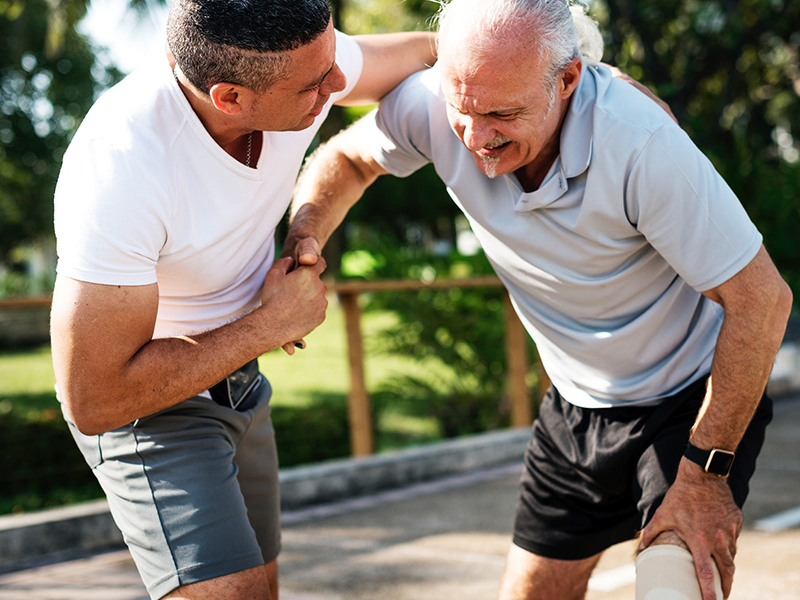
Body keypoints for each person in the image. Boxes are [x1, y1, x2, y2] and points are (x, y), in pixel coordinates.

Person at [282, 1, 793, 599]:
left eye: (502, 113)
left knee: (670, 587)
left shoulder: (638, 141)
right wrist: (306, 234)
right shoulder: (433, 102)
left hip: (690, 397)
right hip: (576, 404)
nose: (476, 138)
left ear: (568, 80)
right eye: (462, 109)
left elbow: (762, 299)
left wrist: (706, 476)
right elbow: (348, 156)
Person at [49, 1, 436, 599]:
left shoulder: (300, 61)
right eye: (316, 85)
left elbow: (435, 52)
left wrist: (585, 71)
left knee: (263, 589)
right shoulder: (122, 162)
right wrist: (268, 325)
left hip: (242, 384)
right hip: (149, 405)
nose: (339, 86)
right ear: (229, 97)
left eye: (334, 62)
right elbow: (93, 397)